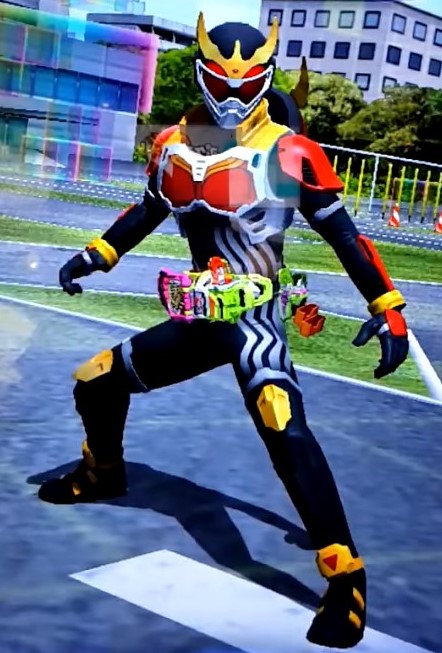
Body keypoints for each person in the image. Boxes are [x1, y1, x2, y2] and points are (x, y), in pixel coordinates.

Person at [38, 14, 410, 649]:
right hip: (197, 319)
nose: (233, 95)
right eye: (220, 81)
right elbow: (148, 209)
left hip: (253, 319)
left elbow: (345, 236)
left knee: (281, 421)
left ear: (265, 77)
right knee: (95, 381)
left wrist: (388, 304)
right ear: (203, 73)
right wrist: (97, 254)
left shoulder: (287, 153)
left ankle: (345, 574)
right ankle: (104, 471)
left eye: (247, 82)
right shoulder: (173, 146)